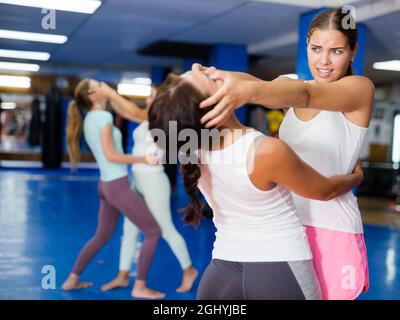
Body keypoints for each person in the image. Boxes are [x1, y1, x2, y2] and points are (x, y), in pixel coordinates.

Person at [195, 8, 374, 300]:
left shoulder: (359, 89)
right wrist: (212, 75)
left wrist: (249, 93)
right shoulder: (290, 88)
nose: (324, 61)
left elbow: (306, 95)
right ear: (306, 45)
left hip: (330, 226)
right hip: (285, 227)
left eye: (336, 51)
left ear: (353, 52)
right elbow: (260, 83)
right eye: (316, 49)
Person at [147, 70, 363, 300]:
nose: (200, 66)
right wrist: (355, 176)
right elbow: (325, 190)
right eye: (207, 79)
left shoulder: (191, 152)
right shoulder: (264, 151)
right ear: (215, 108)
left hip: (221, 273)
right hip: (278, 271)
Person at [62, 78, 165, 299]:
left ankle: (72, 279)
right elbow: (111, 155)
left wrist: (112, 96)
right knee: (153, 232)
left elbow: (129, 114)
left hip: (105, 185)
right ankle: (140, 287)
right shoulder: (104, 117)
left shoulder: (91, 117)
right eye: (96, 85)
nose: (102, 84)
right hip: (116, 185)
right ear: (92, 96)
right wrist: (143, 159)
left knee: (102, 235)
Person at [93, 84, 199, 293]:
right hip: (138, 178)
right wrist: (110, 99)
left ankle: (189, 270)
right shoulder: (146, 118)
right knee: (130, 229)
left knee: (166, 229)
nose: (148, 100)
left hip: (153, 180)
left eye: (152, 96)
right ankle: (123, 276)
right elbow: (127, 111)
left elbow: (131, 111)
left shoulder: (163, 120)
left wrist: (110, 93)